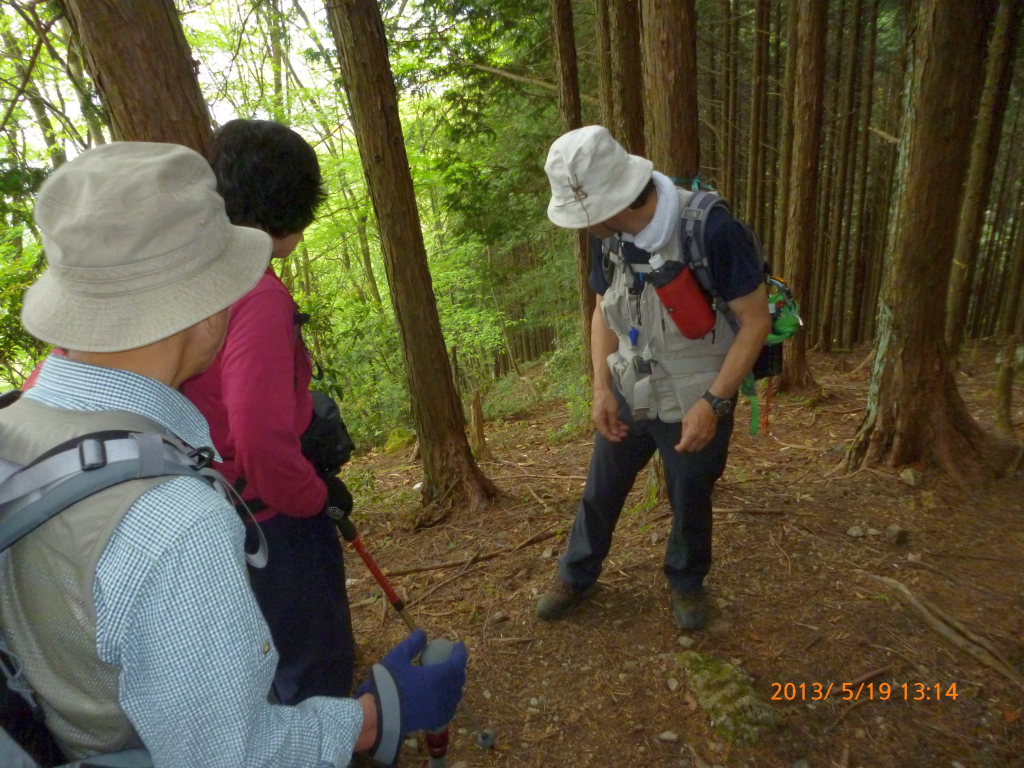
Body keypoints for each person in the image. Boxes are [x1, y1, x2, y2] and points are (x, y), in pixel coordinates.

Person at [0, 142, 467, 767]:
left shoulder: (17, 423)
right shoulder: (174, 525)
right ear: (202, 306)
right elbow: (231, 754)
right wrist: (374, 717)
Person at [536, 125, 770, 630]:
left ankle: (687, 582)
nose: (585, 227)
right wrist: (601, 385)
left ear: (612, 202)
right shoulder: (610, 237)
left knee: (690, 494)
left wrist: (714, 402)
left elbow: (755, 322)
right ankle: (577, 574)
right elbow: (602, 310)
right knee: (601, 488)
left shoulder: (710, 230)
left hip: (697, 395)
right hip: (628, 388)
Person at [181, 120, 356, 705]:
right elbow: (256, 434)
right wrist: (315, 497)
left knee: (261, 663)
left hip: (211, 508)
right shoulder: (254, 292)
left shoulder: (185, 273)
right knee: (315, 658)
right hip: (265, 513)